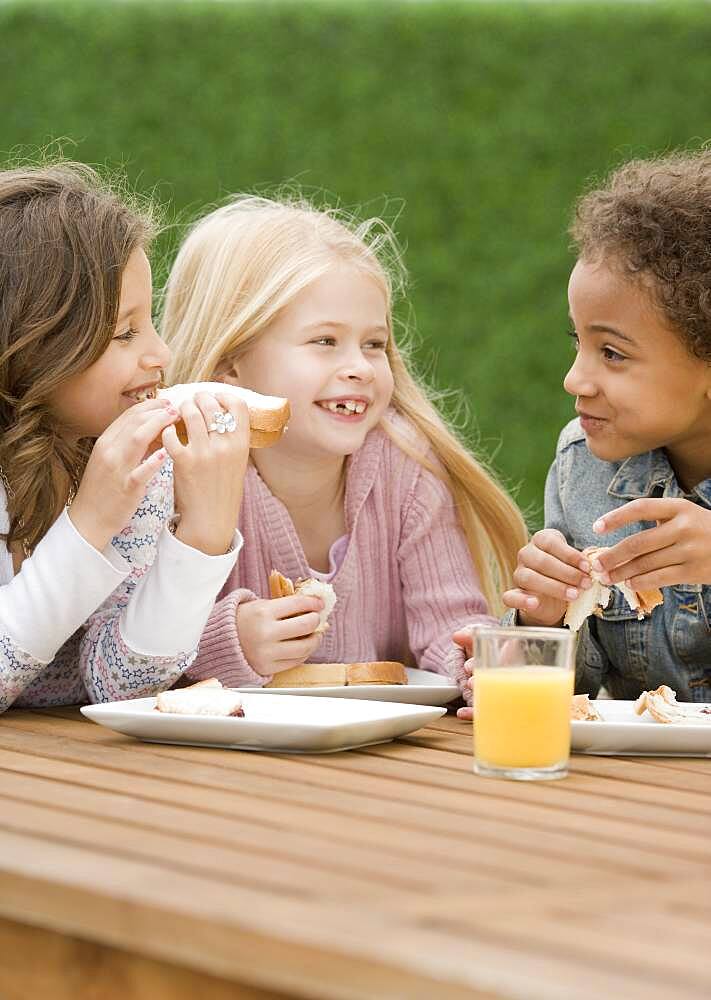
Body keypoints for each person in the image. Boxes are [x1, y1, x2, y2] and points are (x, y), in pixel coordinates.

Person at [160, 194, 527, 691]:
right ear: (231, 366)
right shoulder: (181, 473)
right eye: (325, 342)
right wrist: (233, 641)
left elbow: (451, 621)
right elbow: (138, 649)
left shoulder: (406, 470)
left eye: (374, 344)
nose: (359, 366)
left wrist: (478, 664)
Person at [0, 161, 251, 713]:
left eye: (150, 322)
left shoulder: (136, 467)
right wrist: (88, 524)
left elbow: (121, 687)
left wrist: (203, 535)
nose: (160, 354)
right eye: (123, 332)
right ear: (31, 345)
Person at [498, 149, 711, 707]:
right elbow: (566, 697)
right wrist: (539, 618)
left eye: (612, 353)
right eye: (579, 342)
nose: (575, 380)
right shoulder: (582, 465)